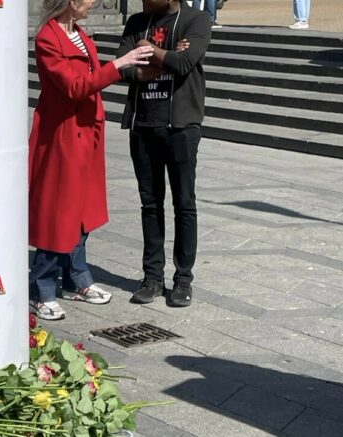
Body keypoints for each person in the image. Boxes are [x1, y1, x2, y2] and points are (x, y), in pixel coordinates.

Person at [29, 0, 154, 320]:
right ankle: (41, 288)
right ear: (71, 2)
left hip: (86, 133)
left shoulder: (81, 35)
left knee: (82, 209)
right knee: (58, 211)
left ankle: (76, 278)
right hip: (63, 136)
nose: (94, 2)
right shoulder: (48, 38)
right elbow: (75, 87)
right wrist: (119, 64)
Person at [117, 0, 211, 308]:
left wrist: (148, 50)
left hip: (180, 127)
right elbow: (122, 68)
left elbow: (184, 65)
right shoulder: (136, 23)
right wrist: (166, 57)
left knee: (184, 204)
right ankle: (153, 277)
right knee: (150, 204)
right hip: (143, 123)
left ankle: (183, 280)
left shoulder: (196, 20)